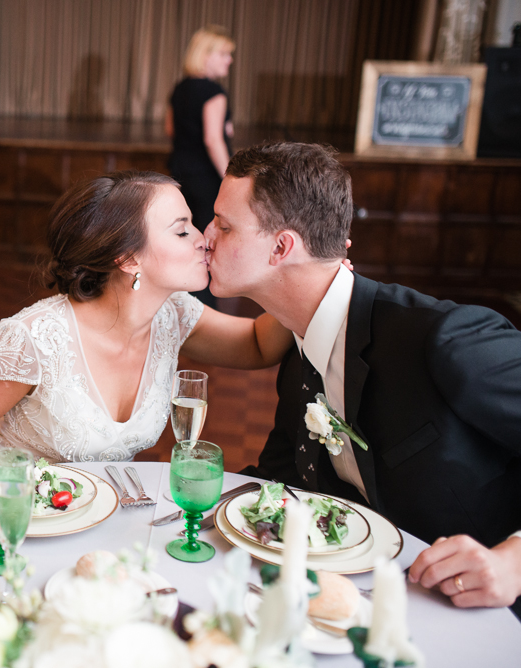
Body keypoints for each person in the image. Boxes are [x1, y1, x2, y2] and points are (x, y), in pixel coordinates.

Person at [205, 141, 521, 614]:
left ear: (281, 247)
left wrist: (514, 563)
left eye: (224, 226)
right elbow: (278, 482)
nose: (205, 236)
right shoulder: (299, 350)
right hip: (381, 604)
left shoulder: (444, 340)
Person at [0, 170, 296, 472]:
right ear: (128, 259)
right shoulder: (37, 338)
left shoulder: (174, 314)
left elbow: (257, 345)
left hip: (98, 519)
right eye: (182, 230)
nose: (204, 240)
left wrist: (302, 277)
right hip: (22, 519)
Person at [165, 25, 235, 308]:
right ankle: (201, 310)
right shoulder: (213, 92)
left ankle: (177, 302)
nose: (229, 60)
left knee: (181, 237)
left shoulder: (179, 89)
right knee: (205, 244)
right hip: (206, 180)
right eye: (223, 54)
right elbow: (212, 139)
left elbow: (170, 129)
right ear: (205, 56)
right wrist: (232, 179)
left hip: (178, 174)